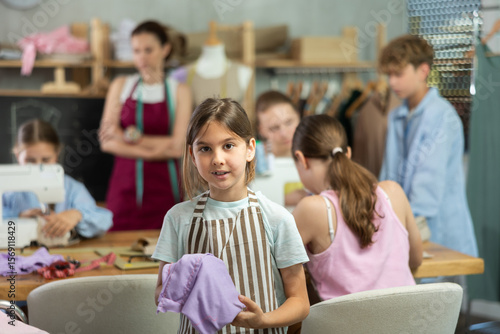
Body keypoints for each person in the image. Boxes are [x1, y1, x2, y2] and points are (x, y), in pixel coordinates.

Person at [152, 98, 309, 333]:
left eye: (228, 145)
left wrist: (262, 320)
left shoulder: (277, 218)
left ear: (250, 149)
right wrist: (182, 278)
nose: (217, 158)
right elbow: (160, 294)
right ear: (192, 156)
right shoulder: (178, 218)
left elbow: (300, 302)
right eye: (205, 148)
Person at [292, 114, 422, 300]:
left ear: (302, 159)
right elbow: (416, 259)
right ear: (348, 153)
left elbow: (271, 267)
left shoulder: (312, 209)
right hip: (408, 324)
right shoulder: (393, 192)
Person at [378, 34, 478, 257]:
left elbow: (426, 191)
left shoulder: (442, 117)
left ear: (423, 71)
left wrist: (397, 229)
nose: (391, 82)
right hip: (405, 229)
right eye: (389, 75)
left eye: (398, 74)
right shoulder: (397, 116)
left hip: (439, 233)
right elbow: (388, 176)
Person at [99, 20, 192, 231]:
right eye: (136, 50)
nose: (142, 57)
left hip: (165, 191)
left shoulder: (180, 91)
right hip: (124, 191)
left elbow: (178, 147)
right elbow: (106, 142)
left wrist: (132, 138)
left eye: (148, 50)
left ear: (165, 49)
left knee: (166, 254)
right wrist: (158, 149)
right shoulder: (121, 86)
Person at [3, 119, 112, 239]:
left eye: (45, 160)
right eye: (30, 161)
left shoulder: (73, 189)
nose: (39, 167)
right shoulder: (8, 191)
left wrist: (77, 215)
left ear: (57, 154)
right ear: (18, 155)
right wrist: (17, 216)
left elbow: (104, 221)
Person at [255, 90, 307, 206]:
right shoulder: (254, 165)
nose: (284, 133)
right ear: (261, 130)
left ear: (298, 116)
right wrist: (281, 199)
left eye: (289, 122)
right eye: (274, 127)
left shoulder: (318, 156)